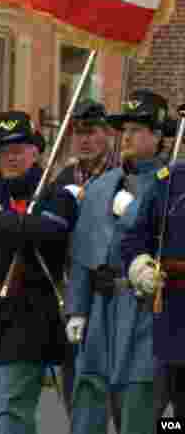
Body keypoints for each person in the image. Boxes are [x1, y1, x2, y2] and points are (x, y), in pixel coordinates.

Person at [65, 91, 169, 434]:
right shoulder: (101, 185)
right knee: (88, 393)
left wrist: (137, 210)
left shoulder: (172, 184)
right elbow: (82, 251)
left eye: (137, 129)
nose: (127, 136)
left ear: (157, 136)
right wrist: (77, 309)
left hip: (144, 307)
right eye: (124, 129)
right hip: (99, 305)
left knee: (138, 397)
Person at [0, 111, 77, 434]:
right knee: (5, 410)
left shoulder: (55, 196)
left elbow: (53, 233)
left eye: (20, 147)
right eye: (5, 149)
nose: (12, 156)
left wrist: (8, 222)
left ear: (36, 151)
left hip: (32, 319)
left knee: (8, 413)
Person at [48, 99, 116, 413]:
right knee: (74, 386)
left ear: (108, 134)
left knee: (115, 391)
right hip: (70, 288)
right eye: (78, 133)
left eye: (92, 132)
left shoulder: (121, 174)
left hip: (111, 290)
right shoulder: (61, 179)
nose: (84, 140)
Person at [122, 119, 185, 422]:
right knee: (161, 420)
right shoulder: (170, 181)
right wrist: (141, 267)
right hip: (175, 323)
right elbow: (136, 238)